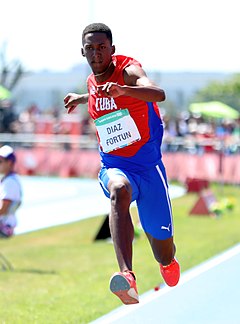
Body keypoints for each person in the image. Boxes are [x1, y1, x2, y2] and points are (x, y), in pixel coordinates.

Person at [64, 23, 180, 305]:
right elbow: (99, 93)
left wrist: (125, 91)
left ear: (112, 50)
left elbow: (157, 93)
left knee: (164, 255)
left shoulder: (128, 70)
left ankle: (166, 260)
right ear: (83, 52)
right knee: (119, 190)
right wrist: (82, 98)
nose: (96, 54)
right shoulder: (92, 82)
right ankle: (127, 275)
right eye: (90, 49)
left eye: (102, 48)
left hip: (149, 169)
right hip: (115, 164)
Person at [0, 145, 22, 238]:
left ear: (9, 162)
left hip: (5, 227)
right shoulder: (10, 179)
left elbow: (3, 209)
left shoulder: (10, 182)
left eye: (0, 161)